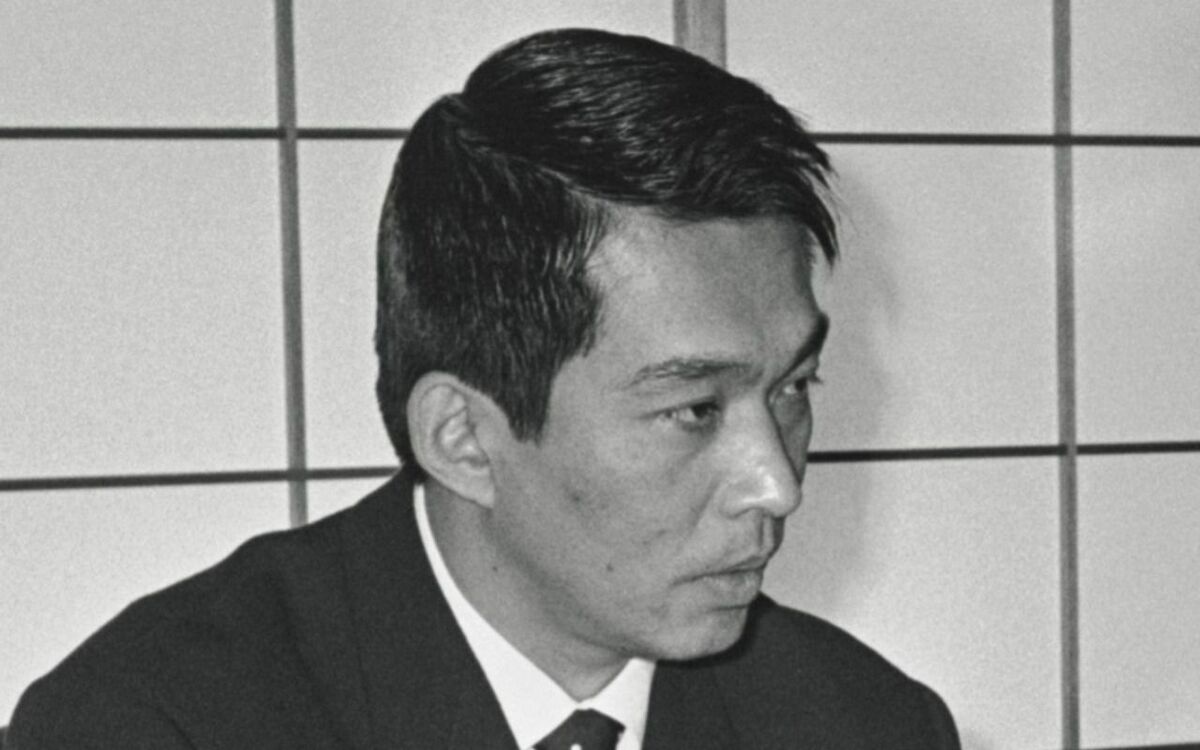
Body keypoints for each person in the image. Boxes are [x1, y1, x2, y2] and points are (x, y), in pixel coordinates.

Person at [7, 28, 960, 749]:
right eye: (693, 411)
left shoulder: (860, 723)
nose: (777, 483)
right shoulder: (157, 724)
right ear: (463, 437)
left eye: (794, 386)